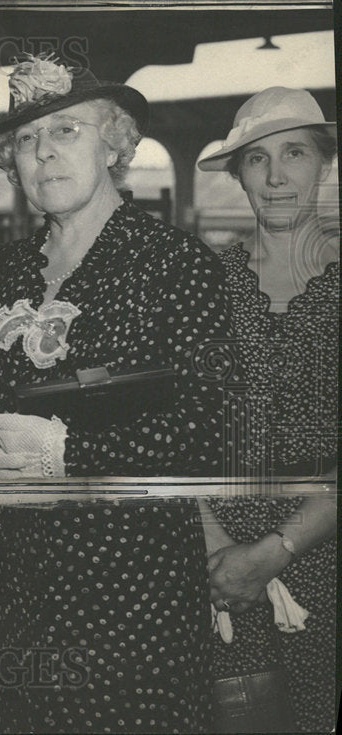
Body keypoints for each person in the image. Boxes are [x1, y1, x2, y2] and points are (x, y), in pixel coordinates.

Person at [0, 56, 234, 732]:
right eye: (27, 140)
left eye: (67, 131)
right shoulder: (4, 270)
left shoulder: (176, 264)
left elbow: (209, 431)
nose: (45, 153)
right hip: (10, 607)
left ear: (115, 143)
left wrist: (69, 449)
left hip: (129, 611)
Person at [196, 86, 337, 733]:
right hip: (216, 572)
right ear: (239, 174)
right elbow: (166, 432)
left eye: (296, 152)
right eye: (257, 159)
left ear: (325, 163)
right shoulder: (200, 287)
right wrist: (215, 543)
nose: (277, 175)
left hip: (327, 567)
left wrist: (279, 548)